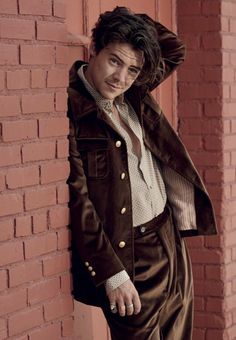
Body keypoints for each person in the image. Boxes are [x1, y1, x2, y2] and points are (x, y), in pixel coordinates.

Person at [67, 6, 217, 340]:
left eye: (133, 69)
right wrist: (113, 274)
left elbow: (174, 48)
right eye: (114, 60)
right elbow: (79, 202)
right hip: (130, 255)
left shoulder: (132, 93)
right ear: (95, 49)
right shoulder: (76, 111)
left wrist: (134, 25)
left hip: (169, 241)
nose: (120, 77)